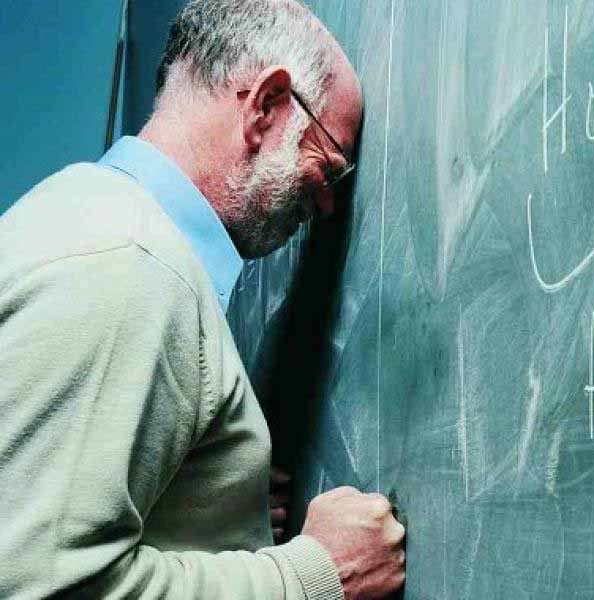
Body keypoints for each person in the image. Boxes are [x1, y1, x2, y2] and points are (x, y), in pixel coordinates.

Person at [0, 1, 405, 598]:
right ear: (266, 106)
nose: (326, 203)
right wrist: (314, 576)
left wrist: (211, 506)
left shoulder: (86, 218)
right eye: (328, 166)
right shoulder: (129, 266)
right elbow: (42, 585)